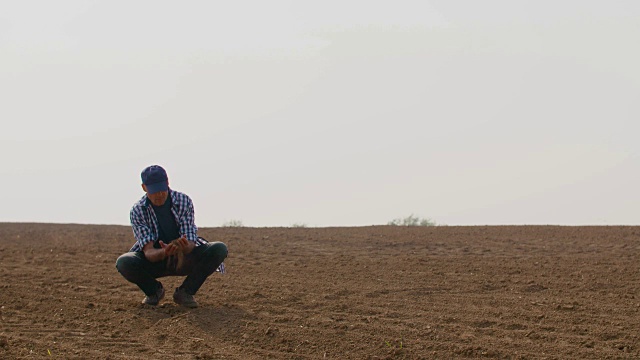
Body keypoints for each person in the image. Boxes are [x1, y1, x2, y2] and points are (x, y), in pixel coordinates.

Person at [116, 165, 228, 308]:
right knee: (124, 262)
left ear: (168, 183)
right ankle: (153, 292)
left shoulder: (183, 201)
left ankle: (186, 292)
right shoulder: (138, 210)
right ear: (144, 188)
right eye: (154, 191)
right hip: (157, 261)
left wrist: (183, 245)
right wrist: (165, 251)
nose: (159, 195)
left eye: (162, 189)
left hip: (185, 258)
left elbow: (191, 242)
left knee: (218, 249)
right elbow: (148, 251)